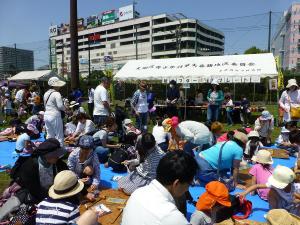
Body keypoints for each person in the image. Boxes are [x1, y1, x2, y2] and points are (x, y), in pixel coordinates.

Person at [121, 151, 198, 225]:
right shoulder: (174, 218)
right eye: (189, 184)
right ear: (176, 184)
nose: (187, 189)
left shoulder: (137, 193)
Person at [0, 138, 67, 221]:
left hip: (53, 194)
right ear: (47, 155)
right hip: (33, 195)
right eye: (55, 155)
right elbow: (34, 190)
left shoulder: (58, 163)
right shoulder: (30, 166)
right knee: (20, 216)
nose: (58, 157)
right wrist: (49, 199)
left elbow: (68, 176)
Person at [44, 77, 66, 146]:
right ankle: (61, 151)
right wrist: (66, 108)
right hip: (55, 115)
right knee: (59, 135)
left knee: (49, 134)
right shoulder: (57, 93)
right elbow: (60, 106)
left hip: (46, 115)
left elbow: (45, 105)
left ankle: (48, 149)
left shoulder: (46, 93)